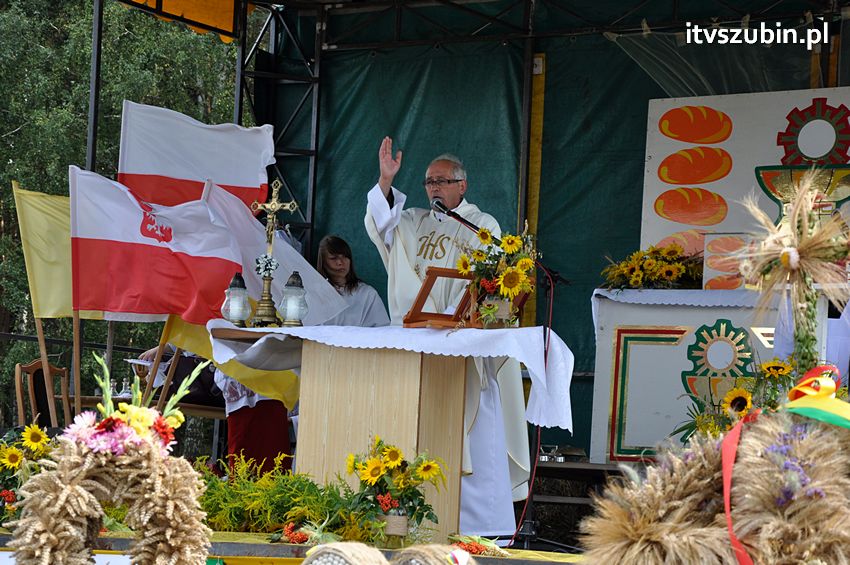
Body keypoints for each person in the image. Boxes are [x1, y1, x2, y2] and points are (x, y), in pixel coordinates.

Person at [364, 136, 530, 539]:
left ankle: (482, 527)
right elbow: (381, 225)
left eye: (441, 181)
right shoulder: (413, 221)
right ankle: (418, 521)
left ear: (462, 185)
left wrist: (457, 318)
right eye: (428, 182)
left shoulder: (482, 224)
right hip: (417, 342)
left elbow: (488, 281)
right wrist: (386, 181)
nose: (433, 188)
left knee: (475, 434)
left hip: (462, 349)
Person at [317, 234, 391, 327]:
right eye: (333, 258)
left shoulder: (367, 294)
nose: (340, 262)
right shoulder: (314, 293)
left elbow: (381, 328)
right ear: (323, 262)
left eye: (345, 257)